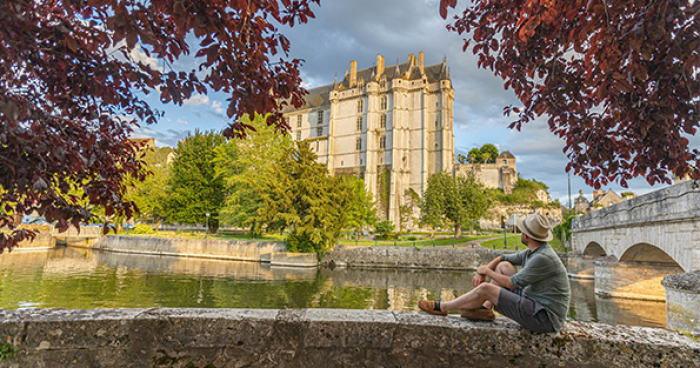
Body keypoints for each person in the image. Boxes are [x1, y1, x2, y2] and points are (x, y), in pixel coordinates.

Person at [417, 213, 571, 333]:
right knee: (504, 265)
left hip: (544, 319)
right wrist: (481, 272)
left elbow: (511, 283)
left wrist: (487, 272)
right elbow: (502, 258)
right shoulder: (535, 251)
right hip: (535, 304)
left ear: (526, 236)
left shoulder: (542, 258)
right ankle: (484, 309)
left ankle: (443, 307)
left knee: (486, 289)